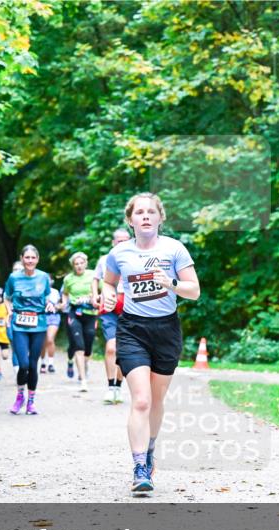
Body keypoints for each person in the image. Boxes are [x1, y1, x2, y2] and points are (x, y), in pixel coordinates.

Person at [101, 193, 199, 496]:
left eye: (151, 212)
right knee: (141, 400)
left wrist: (169, 283)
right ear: (130, 220)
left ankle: (150, 449)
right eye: (139, 212)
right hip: (132, 330)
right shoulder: (119, 254)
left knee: (156, 401)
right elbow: (108, 281)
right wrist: (107, 293)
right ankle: (140, 467)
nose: (145, 216)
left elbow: (194, 291)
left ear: (160, 218)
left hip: (166, 331)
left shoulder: (174, 249)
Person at [4, 246, 56, 415]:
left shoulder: (43, 277)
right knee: (23, 365)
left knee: (33, 365)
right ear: (22, 259)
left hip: (39, 324)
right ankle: (20, 396)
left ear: (37, 259)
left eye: (33, 257)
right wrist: (9, 309)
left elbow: (47, 297)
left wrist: (49, 304)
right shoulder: (13, 278)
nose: (30, 261)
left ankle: (31, 402)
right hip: (19, 324)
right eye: (27, 257)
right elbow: (7, 297)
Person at [93, 227, 131, 404]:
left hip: (129, 308)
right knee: (111, 347)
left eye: (125, 240)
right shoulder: (105, 259)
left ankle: (118, 386)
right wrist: (95, 295)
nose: (122, 243)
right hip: (109, 306)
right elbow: (96, 278)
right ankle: (110, 387)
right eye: (119, 241)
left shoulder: (135, 258)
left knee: (123, 350)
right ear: (113, 242)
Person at [60, 251, 98, 392]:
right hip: (74, 313)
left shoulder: (93, 275)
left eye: (81, 263)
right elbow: (65, 293)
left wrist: (94, 297)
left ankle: (84, 365)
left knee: (88, 346)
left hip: (90, 313)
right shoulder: (68, 279)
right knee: (78, 345)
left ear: (86, 263)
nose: (79, 266)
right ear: (73, 266)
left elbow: (101, 291)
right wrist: (64, 303)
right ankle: (83, 379)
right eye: (76, 264)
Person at [40, 286, 62, 374]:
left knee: (50, 339)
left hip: (53, 316)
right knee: (42, 342)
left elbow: (61, 304)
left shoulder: (55, 291)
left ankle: (51, 363)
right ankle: (42, 363)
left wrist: (57, 306)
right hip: (42, 316)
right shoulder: (38, 290)